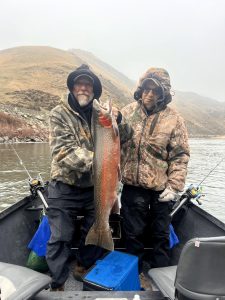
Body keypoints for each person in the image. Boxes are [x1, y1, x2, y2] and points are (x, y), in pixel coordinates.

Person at [46, 64, 132, 291]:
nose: (83, 88)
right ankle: (57, 282)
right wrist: (103, 162)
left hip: (95, 186)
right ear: (73, 87)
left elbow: (126, 135)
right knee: (60, 236)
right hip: (64, 185)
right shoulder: (59, 114)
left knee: (95, 227)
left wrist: (119, 118)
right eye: (79, 84)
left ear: (94, 90)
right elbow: (64, 153)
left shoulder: (100, 114)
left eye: (88, 84)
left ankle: (84, 265)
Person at [120, 68, 190, 274]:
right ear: (141, 89)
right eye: (146, 89)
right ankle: (136, 274)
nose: (149, 94)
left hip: (161, 189)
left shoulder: (174, 119)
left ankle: (161, 276)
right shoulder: (126, 113)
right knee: (133, 235)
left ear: (163, 94)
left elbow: (180, 155)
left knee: (160, 235)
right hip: (132, 187)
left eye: (155, 90)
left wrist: (175, 186)